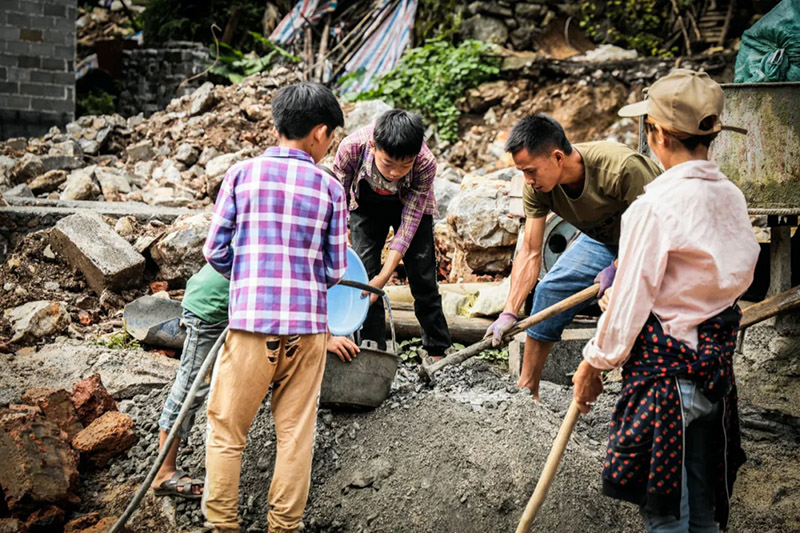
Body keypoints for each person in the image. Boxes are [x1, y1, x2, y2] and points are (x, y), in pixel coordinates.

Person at [572, 69, 759, 532]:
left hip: (667, 379)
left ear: (658, 134)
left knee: (666, 513)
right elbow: (738, 276)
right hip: (715, 374)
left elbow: (631, 301)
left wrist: (594, 363)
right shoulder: (733, 197)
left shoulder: (653, 207)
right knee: (703, 509)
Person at [201, 82, 348, 533]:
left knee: (227, 431)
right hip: (308, 332)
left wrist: (250, 278)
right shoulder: (330, 188)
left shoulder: (241, 175)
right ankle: (284, 526)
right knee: (296, 434)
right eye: (331, 137)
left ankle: (222, 524)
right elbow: (336, 268)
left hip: (251, 326)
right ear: (319, 133)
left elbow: (214, 250)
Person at [484, 113, 662, 399]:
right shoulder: (537, 187)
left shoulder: (622, 168)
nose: (527, 180)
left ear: (557, 157)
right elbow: (531, 251)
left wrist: (620, 267)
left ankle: (644, 386)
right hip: (604, 241)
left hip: (656, 242)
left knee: (641, 304)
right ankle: (527, 390)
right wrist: (510, 311)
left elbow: (658, 229)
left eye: (531, 171)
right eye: (522, 172)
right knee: (549, 291)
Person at [150, 262, 360, 500]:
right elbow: (295, 285)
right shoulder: (290, 248)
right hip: (213, 307)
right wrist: (327, 337)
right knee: (192, 388)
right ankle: (164, 472)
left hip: (243, 306)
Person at [333, 109, 451, 359]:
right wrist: (341, 244)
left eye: (405, 165)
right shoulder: (351, 149)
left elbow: (408, 227)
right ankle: (372, 345)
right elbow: (337, 201)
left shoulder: (425, 163)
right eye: (388, 164)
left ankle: (436, 348)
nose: (395, 173)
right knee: (365, 274)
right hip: (366, 204)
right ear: (373, 146)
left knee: (422, 274)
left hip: (410, 206)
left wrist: (385, 276)